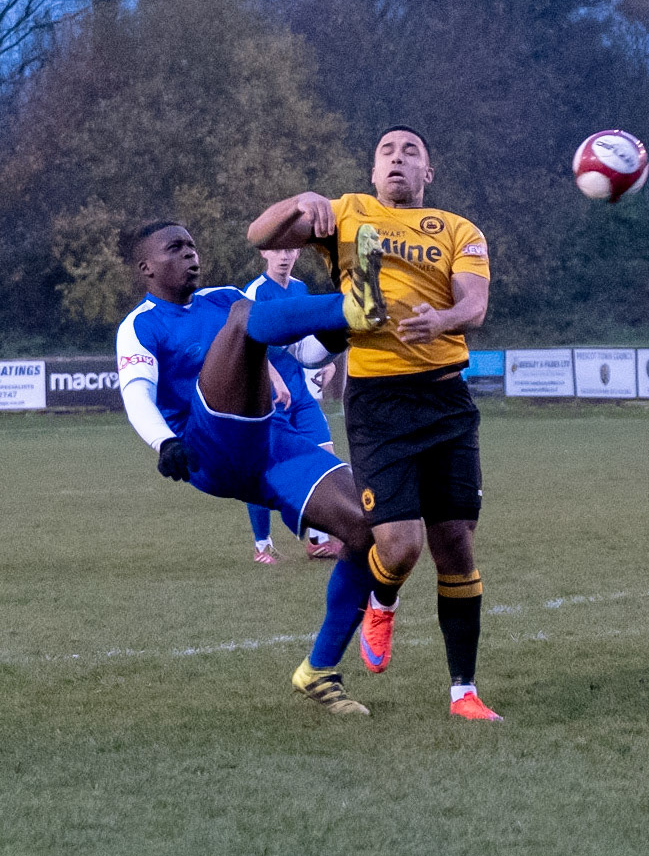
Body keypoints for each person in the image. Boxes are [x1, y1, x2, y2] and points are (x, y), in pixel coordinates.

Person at [247, 127, 502, 720]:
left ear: (427, 173)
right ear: (371, 171)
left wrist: (442, 320)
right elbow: (259, 234)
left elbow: (475, 304)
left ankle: (463, 693)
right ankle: (382, 601)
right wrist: (300, 201)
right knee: (400, 545)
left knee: (456, 544)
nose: (398, 159)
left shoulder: (458, 229)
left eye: (411, 152)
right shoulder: (347, 214)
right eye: (387, 151)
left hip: (446, 399)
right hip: (379, 401)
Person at [116, 219, 387, 715]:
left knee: (371, 529)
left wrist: (338, 334)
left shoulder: (220, 298)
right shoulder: (142, 324)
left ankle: (319, 670)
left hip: (272, 443)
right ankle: (352, 305)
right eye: (175, 248)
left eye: (192, 246)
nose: (191, 254)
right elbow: (136, 395)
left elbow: (306, 353)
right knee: (244, 317)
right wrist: (164, 441)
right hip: (208, 448)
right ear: (146, 267)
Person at [243, 248, 343, 564]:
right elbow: (247, 346)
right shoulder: (255, 292)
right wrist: (274, 379)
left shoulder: (300, 288)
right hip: (266, 396)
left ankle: (318, 540)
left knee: (326, 460)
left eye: (289, 249)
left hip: (300, 394)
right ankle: (262, 545)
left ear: (298, 252)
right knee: (262, 472)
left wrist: (328, 362)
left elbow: (309, 336)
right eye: (277, 249)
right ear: (264, 252)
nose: (283, 256)